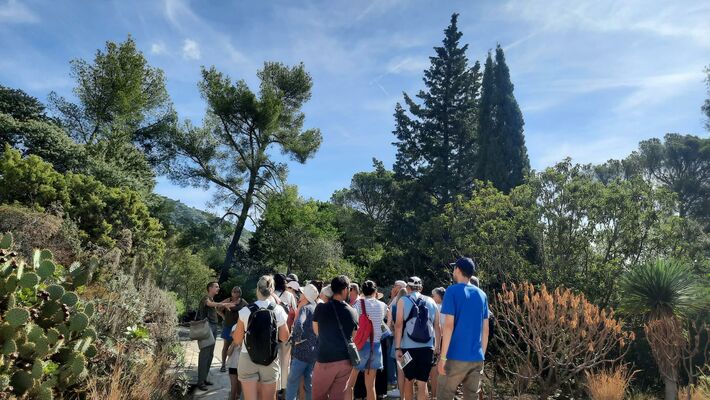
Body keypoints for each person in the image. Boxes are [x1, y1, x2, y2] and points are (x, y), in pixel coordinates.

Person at [438, 258, 489, 400]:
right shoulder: (482, 295)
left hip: (455, 356)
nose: (453, 271)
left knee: (444, 395)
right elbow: (485, 329)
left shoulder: (452, 291)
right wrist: (482, 356)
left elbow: (448, 326)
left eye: (454, 268)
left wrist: (442, 358)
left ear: (458, 270)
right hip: (476, 357)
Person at [233, 275, 290, 400]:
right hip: (270, 358)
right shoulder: (278, 310)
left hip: (247, 356)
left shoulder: (245, 310)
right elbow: (284, 337)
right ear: (272, 290)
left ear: (257, 289)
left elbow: (237, 340)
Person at [312, 275, 359, 400]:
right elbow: (353, 336)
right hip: (345, 361)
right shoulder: (353, 312)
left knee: (318, 396)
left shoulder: (321, 308)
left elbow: (316, 331)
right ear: (344, 290)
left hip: (325, 360)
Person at [394, 277, 440, 400]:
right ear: (421, 288)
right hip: (427, 348)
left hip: (406, 349)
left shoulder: (403, 300)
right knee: (422, 383)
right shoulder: (431, 301)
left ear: (408, 288)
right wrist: (437, 347)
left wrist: (397, 348)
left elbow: (398, 325)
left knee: (408, 380)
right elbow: (437, 326)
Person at [347, 281, 387, 400]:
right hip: (376, 346)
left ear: (363, 291)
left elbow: (352, 321)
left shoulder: (358, 304)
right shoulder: (382, 305)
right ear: (375, 291)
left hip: (361, 345)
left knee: (350, 385)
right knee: (371, 386)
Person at [196, 281, 234, 391]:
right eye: (216, 286)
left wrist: (222, 313)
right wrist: (222, 304)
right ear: (210, 288)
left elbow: (214, 307)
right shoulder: (206, 298)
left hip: (212, 328)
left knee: (210, 355)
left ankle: (204, 379)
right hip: (207, 328)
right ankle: (200, 382)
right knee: (204, 354)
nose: (218, 288)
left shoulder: (212, 299)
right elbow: (210, 304)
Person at [286, 284, 320, 400]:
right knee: (309, 383)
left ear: (305, 295)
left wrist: (296, 339)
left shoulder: (305, 308)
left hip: (301, 352)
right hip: (314, 352)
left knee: (292, 381)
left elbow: (299, 324)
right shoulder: (317, 307)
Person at [275, 273, 298, 397]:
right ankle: (284, 391)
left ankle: (275, 389)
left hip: (273, 334)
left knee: (274, 361)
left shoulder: (271, 295)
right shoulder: (289, 295)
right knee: (285, 362)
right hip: (286, 332)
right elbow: (294, 313)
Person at [219, 286, 248, 373]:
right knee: (226, 346)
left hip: (238, 327)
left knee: (238, 347)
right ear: (231, 292)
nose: (236, 293)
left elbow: (249, 310)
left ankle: (236, 365)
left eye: (238, 291)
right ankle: (223, 365)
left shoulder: (243, 302)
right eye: (234, 291)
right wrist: (223, 316)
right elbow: (218, 308)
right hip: (228, 326)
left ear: (240, 293)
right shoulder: (228, 300)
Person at [386, 286, 408, 398]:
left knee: (399, 369)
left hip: (397, 340)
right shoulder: (410, 306)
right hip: (408, 341)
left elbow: (389, 327)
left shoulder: (394, 308)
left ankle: (401, 393)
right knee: (406, 367)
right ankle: (406, 392)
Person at [429, 287, 446, 399]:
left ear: (439, 296)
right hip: (447, 342)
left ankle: (435, 396)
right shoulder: (449, 307)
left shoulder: (436, 307)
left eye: (433, 295)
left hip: (437, 340)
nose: (432, 297)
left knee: (435, 370)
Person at [226, 324, 242, 400]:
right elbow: (228, 353)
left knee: (240, 386)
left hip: (241, 367)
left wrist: (240, 343)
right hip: (232, 366)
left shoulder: (244, 343)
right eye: (234, 333)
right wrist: (233, 344)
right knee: (234, 385)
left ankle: (238, 396)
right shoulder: (232, 342)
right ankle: (232, 397)